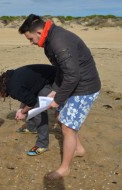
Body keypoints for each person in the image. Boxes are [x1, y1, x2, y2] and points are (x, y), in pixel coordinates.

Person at [19, 14, 101, 178]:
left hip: (85, 88)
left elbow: (72, 76)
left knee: (67, 128)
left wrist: (57, 99)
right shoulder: (50, 39)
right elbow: (61, 70)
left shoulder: (58, 42)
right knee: (59, 116)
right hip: (74, 85)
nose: (31, 43)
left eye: (31, 38)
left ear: (40, 32)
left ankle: (65, 168)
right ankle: (78, 149)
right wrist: (55, 89)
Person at [0, 64, 56, 156]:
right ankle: (32, 128)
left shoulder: (13, 89)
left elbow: (31, 102)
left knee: (38, 109)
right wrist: (21, 109)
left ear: (1, 89)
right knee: (31, 104)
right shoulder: (8, 79)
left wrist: (23, 112)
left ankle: (42, 144)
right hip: (44, 78)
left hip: (54, 80)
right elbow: (26, 94)